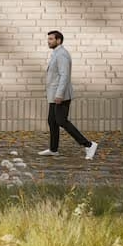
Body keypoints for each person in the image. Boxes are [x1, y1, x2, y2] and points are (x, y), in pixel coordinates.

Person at [40, 30, 98, 160]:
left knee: (61, 121)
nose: (48, 41)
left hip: (61, 95)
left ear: (58, 40)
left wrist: (59, 94)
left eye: (51, 39)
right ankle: (53, 149)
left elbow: (64, 75)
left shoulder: (62, 54)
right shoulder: (56, 53)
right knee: (52, 121)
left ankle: (88, 145)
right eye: (48, 39)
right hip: (54, 95)